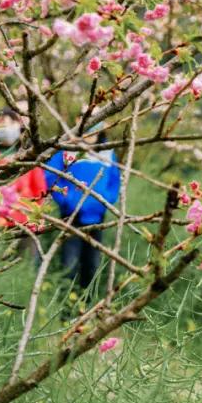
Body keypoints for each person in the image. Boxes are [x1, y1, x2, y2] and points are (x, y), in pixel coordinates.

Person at [42, 123, 122, 301]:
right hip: (71, 217)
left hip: (98, 219)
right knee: (69, 265)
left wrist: (105, 199)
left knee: (92, 267)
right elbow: (50, 176)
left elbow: (115, 181)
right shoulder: (68, 151)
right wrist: (67, 200)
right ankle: (65, 311)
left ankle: (85, 309)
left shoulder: (107, 153)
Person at [0, 107, 48, 227]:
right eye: (1, 122)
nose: (6, 126)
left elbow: (39, 190)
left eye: (11, 122)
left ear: (20, 125)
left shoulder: (30, 155)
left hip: (25, 223)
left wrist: (35, 217)